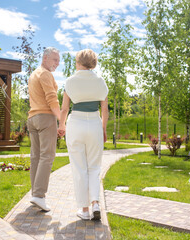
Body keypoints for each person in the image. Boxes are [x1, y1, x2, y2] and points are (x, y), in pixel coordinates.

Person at [58, 49, 109, 220]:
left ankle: (84, 210)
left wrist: (61, 125)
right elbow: (104, 109)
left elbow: (65, 108)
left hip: (76, 124)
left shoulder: (70, 81)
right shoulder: (100, 82)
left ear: (80, 62)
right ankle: (95, 203)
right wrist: (103, 129)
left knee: (79, 167)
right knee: (94, 166)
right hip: (94, 123)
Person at [27, 47, 61, 212]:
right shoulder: (46, 74)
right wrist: (62, 120)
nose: (57, 63)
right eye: (55, 59)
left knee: (36, 157)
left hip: (32, 118)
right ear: (45, 58)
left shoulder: (34, 74)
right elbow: (52, 99)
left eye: (59, 60)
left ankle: (35, 194)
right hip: (45, 118)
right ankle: (39, 196)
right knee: (47, 156)